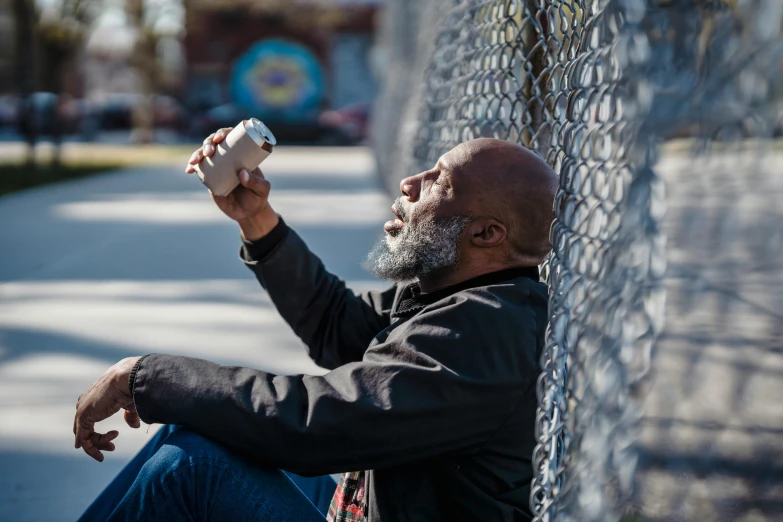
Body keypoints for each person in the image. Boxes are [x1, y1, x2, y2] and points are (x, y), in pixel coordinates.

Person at [73, 129, 558, 522]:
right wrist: (256, 219)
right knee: (194, 430)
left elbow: (317, 424)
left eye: (439, 182)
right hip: (366, 508)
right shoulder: (457, 299)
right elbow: (339, 326)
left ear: (487, 233)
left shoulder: (485, 330)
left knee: (192, 466)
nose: (410, 182)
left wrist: (145, 377)